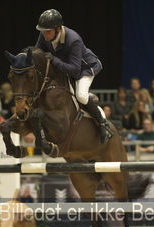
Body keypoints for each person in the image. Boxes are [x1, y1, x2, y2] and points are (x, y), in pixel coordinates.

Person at [35, 9, 112, 144]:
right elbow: (37, 53)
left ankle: (102, 123)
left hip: (86, 68)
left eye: (48, 31)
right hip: (66, 67)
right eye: (43, 31)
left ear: (58, 29)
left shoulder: (73, 39)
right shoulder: (44, 35)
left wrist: (54, 60)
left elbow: (75, 71)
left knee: (81, 95)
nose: (44, 35)